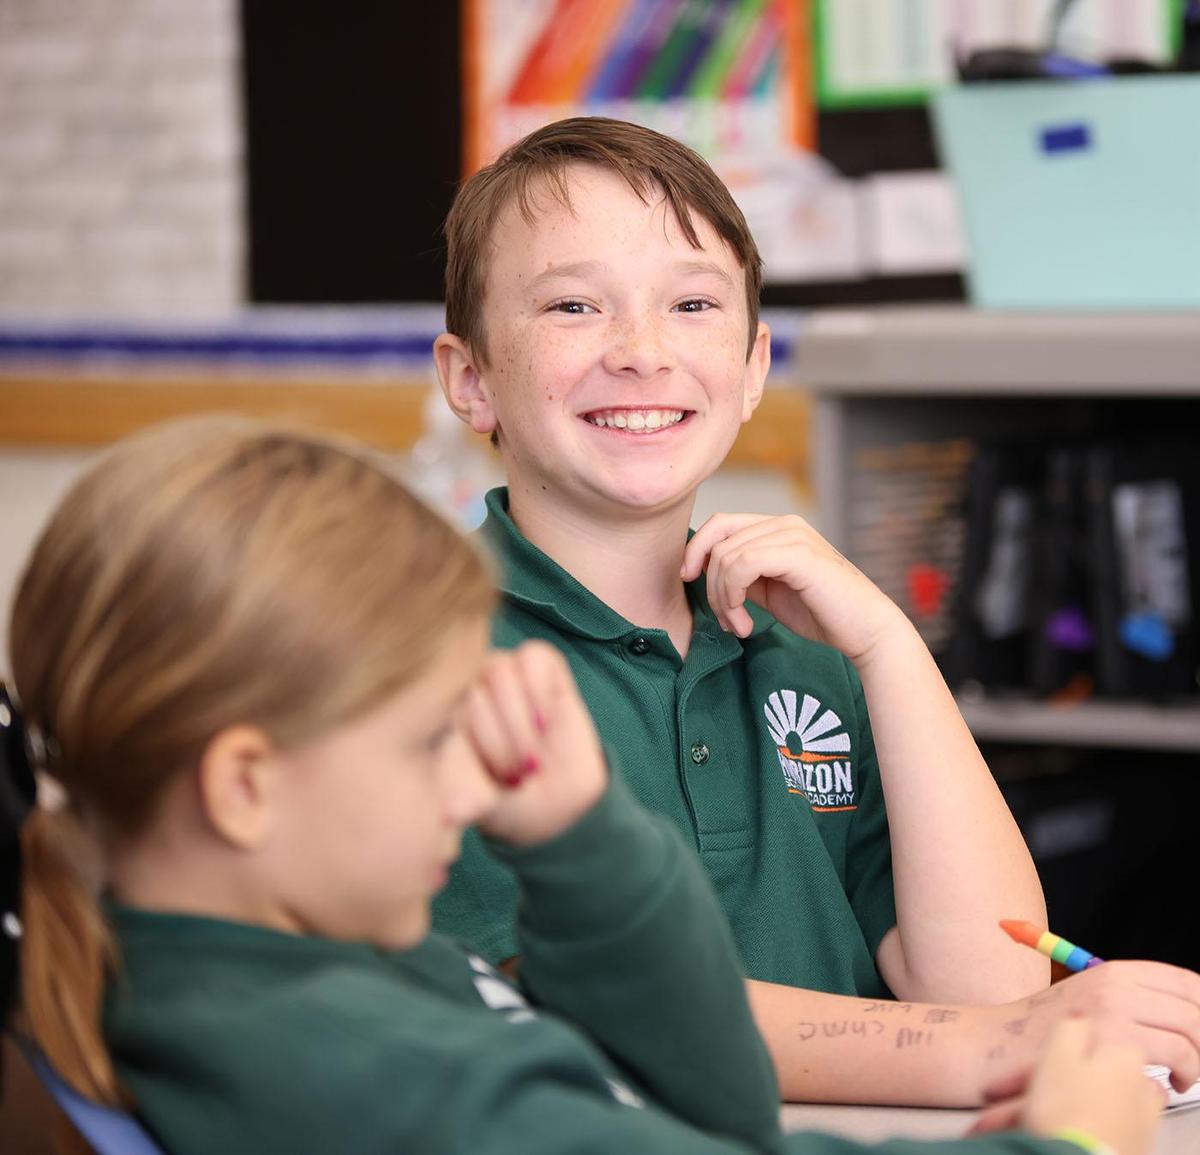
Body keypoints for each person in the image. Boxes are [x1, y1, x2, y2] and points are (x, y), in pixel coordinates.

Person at [0, 416, 1160, 1155]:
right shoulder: (328, 1053)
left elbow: (719, 1105)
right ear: (244, 788)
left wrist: (580, 843)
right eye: (424, 744)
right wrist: (1063, 1146)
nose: (470, 797)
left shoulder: (326, 967)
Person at [430, 116, 1200, 1105]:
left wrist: (887, 650)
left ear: (752, 371)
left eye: (692, 303)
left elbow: (991, 983)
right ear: (471, 378)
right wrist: (990, 1046)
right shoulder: (421, 652)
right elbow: (576, 1004)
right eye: (574, 305)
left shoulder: (809, 657)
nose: (642, 351)